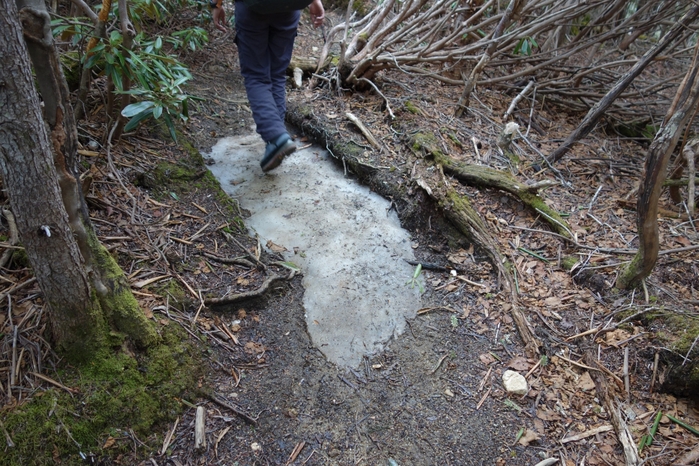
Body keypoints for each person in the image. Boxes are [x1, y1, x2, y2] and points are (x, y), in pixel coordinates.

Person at [210, 0, 325, 172]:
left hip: (253, 9)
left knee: (256, 76)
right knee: (276, 75)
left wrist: (216, 5)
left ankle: (276, 138)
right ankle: (276, 140)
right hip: (288, 9)